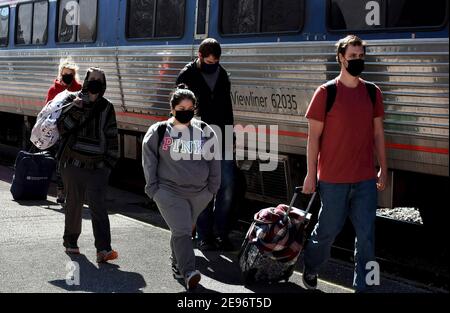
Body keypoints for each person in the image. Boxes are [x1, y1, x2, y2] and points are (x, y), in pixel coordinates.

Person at [301, 35, 387, 292]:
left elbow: (379, 133)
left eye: (361, 57)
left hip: (364, 179)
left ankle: (365, 286)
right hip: (333, 179)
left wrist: (383, 167)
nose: (358, 61)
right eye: (353, 57)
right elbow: (313, 138)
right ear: (341, 57)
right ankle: (311, 266)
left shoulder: (372, 92)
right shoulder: (326, 93)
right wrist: (310, 175)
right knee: (327, 232)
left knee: (367, 237)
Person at [142, 85, 221, 290]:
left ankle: (177, 264)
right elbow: (149, 161)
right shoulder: (159, 131)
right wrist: (153, 189)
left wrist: (212, 188)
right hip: (169, 192)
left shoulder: (204, 130)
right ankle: (188, 271)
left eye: (189, 107)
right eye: (181, 107)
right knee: (183, 230)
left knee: (180, 231)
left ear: (195, 108)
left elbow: (214, 160)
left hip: (199, 194)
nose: (185, 111)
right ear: (172, 108)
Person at [176, 38, 235, 251]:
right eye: (209, 63)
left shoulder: (222, 74)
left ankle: (221, 234)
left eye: (216, 62)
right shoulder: (187, 76)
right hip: (197, 138)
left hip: (223, 136)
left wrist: (232, 136)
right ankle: (204, 235)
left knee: (226, 186)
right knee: (202, 188)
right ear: (200, 57)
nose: (213, 66)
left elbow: (227, 108)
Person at [57, 67, 119, 263]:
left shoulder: (107, 107)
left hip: (97, 167)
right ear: (85, 80)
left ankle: (103, 249)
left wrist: (108, 165)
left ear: (104, 84)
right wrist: (76, 107)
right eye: (92, 79)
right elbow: (62, 128)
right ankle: (71, 242)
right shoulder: (71, 101)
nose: (95, 82)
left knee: (98, 207)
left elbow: (112, 137)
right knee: (73, 205)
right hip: (73, 163)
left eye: (99, 80)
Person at [45, 57, 82, 204]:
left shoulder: (79, 89)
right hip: (60, 132)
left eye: (70, 75)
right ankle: (61, 192)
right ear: (61, 73)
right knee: (60, 162)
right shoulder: (54, 90)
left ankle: (73, 191)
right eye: (65, 74)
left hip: (75, 132)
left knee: (74, 163)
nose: (68, 77)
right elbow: (47, 110)